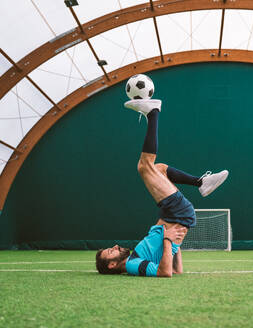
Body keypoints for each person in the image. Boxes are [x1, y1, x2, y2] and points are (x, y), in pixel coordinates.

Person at [95, 98, 229, 277]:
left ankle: (201, 183)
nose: (116, 246)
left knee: (160, 169)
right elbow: (165, 273)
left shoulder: (135, 258)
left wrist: (175, 247)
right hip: (177, 214)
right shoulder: (132, 265)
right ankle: (153, 113)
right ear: (112, 265)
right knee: (144, 166)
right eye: (112, 251)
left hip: (173, 215)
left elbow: (176, 270)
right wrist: (167, 240)